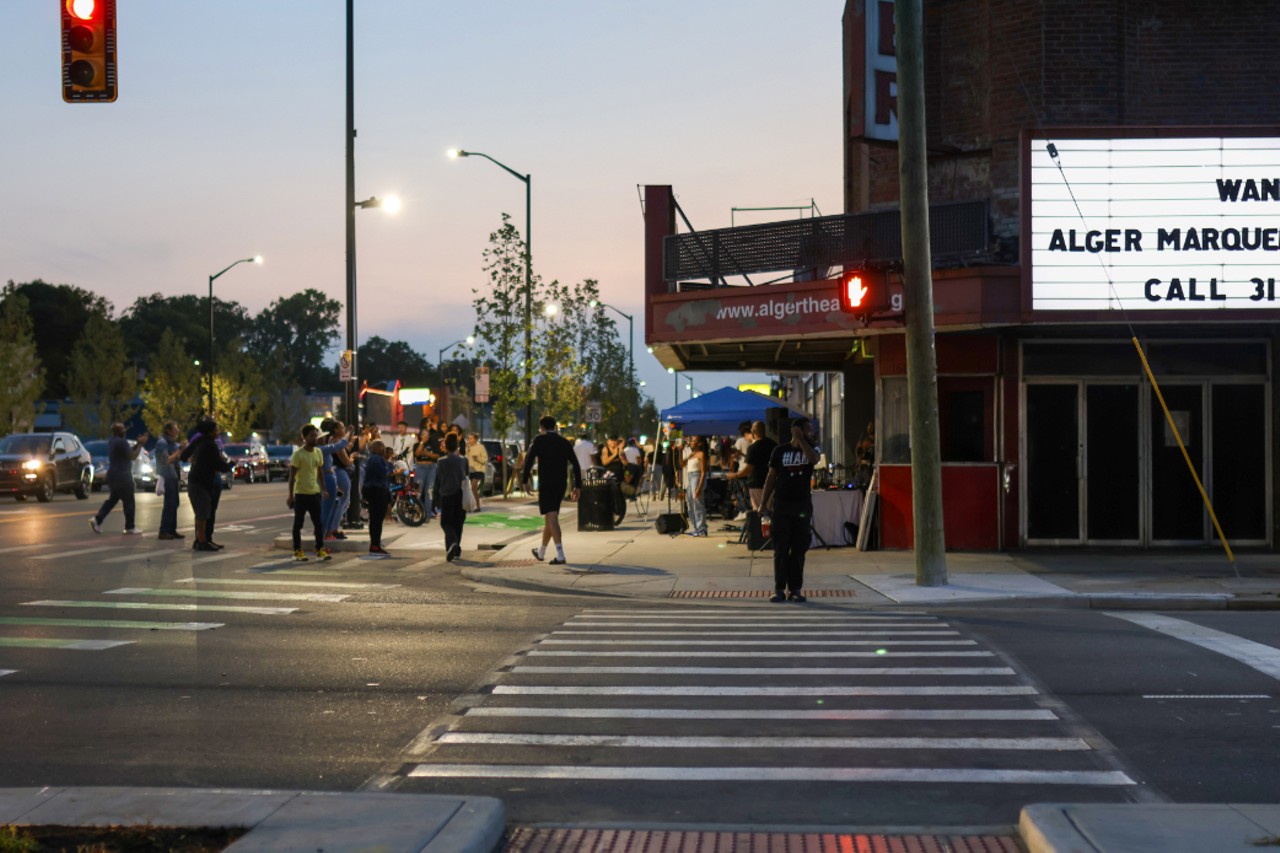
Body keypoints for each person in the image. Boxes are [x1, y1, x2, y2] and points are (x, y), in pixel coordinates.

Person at [760, 417, 820, 603]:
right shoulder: (780, 451)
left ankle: (795, 589)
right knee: (781, 548)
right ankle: (779, 589)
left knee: (799, 549)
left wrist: (802, 441)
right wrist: (764, 503)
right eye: (808, 430)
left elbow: (814, 459)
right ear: (797, 430)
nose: (811, 433)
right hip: (782, 506)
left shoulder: (811, 448)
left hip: (801, 506)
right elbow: (771, 477)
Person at [523, 416, 582, 566]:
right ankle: (541, 552)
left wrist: (525, 480)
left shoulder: (539, 440)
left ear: (541, 427)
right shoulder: (564, 442)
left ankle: (560, 554)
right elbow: (576, 464)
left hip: (547, 483)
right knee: (550, 517)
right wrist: (578, 486)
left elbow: (529, 461)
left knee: (552, 517)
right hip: (561, 484)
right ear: (555, 427)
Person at [89, 422, 148, 535]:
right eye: (123, 429)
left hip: (113, 475)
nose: (125, 430)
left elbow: (127, 451)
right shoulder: (121, 441)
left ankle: (97, 519)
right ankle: (130, 527)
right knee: (129, 501)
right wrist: (140, 445)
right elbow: (132, 456)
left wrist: (137, 444)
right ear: (121, 431)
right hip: (123, 476)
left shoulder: (113, 441)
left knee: (113, 499)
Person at [180, 418, 230, 551]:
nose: (218, 431)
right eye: (216, 429)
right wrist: (230, 464)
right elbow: (219, 465)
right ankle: (202, 541)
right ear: (211, 431)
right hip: (202, 482)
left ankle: (201, 539)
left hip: (195, 480)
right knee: (203, 513)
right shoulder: (210, 444)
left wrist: (197, 460)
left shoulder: (198, 441)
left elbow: (183, 456)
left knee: (203, 512)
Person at [287, 423, 330, 562]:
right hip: (301, 494)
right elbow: (292, 476)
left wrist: (323, 489)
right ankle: (297, 550)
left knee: (318, 523)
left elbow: (320, 472)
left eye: (316, 435)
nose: (315, 438)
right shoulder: (298, 454)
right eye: (311, 436)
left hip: (315, 493)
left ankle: (319, 549)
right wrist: (290, 495)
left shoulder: (318, 452)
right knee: (298, 523)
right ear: (304, 437)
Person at [434, 432, 470, 562]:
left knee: (446, 522)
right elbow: (466, 476)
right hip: (460, 494)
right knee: (458, 523)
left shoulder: (441, 462)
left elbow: (438, 480)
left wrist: (435, 499)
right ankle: (455, 549)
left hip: (446, 495)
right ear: (457, 445)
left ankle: (452, 544)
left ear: (446, 446)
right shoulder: (464, 460)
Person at [153, 421, 187, 540]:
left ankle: (172, 530)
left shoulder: (173, 444)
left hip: (174, 476)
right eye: (175, 429)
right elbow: (165, 460)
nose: (178, 431)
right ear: (168, 431)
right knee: (169, 504)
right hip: (167, 475)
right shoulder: (162, 443)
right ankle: (164, 530)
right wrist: (179, 450)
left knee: (174, 504)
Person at [735, 420, 777, 512]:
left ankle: (761, 526)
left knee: (759, 510)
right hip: (772, 483)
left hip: (757, 483)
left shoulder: (752, 448)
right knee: (770, 510)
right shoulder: (774, 445)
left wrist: (735, 475)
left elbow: (749, 468)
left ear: (753, 432)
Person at [361, 438, 391, 557]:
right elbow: (384, 473)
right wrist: (390, 465)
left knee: (375, 520)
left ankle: (375, 544)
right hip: (377, 490)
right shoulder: (377, 460)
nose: (384, 449)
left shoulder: (372, 459)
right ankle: (375, 545)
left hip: (373, 490)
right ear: (377, 448)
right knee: (377, 520)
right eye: (382, 447)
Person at [413, 420, 442, 520]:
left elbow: (436, 456)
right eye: (423, 434)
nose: (425, 436)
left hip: (431, 468)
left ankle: (427, 514)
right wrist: (422, 443)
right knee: (418, 491)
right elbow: (417, 454)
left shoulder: (433, 445)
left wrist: (426, 453)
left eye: (427, 434)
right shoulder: (417, 445)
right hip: (420, 468)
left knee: (429, 491)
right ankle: (417, 513)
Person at [684, 435, 709, 536]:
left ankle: (702, 528)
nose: (691, 442)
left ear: (700, 443)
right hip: (690, 478)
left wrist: (699, 487)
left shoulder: (701, 454)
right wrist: (678, 451)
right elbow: (681, 464)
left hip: (696, 477)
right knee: (690, 503)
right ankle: (696, 527)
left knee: (698, 503)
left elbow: (703, 472)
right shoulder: (691, 454)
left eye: (693, 441)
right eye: (691, 441)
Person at [465, 432, 488, 511]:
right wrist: (467, 449)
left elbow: (485, 460)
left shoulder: (481, 447)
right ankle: (475, 506)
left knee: (473, 487)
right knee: (472, 489)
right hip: (470, 470)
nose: (469, 440)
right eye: (469, 438)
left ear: (475, 439)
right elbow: (466, 458)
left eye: (471, 438)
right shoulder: (468, 447)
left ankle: (477, 506)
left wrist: (477, 458)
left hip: (478, 470)